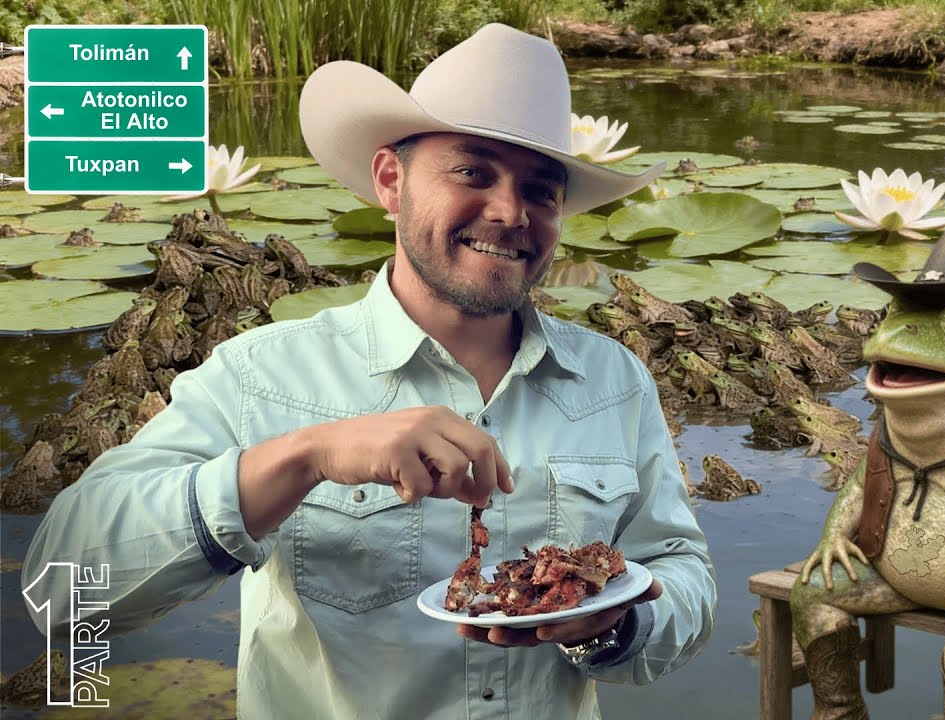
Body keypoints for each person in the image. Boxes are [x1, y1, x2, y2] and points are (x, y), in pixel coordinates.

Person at [23, 23, 716, 719]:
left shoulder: (613, 380)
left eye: (541, 190)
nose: (509, 213)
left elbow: (684, 574)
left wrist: (617, 626)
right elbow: (62, 591)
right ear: (391, 180)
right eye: (472, 172)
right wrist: (303, 458)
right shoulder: (262, 375)